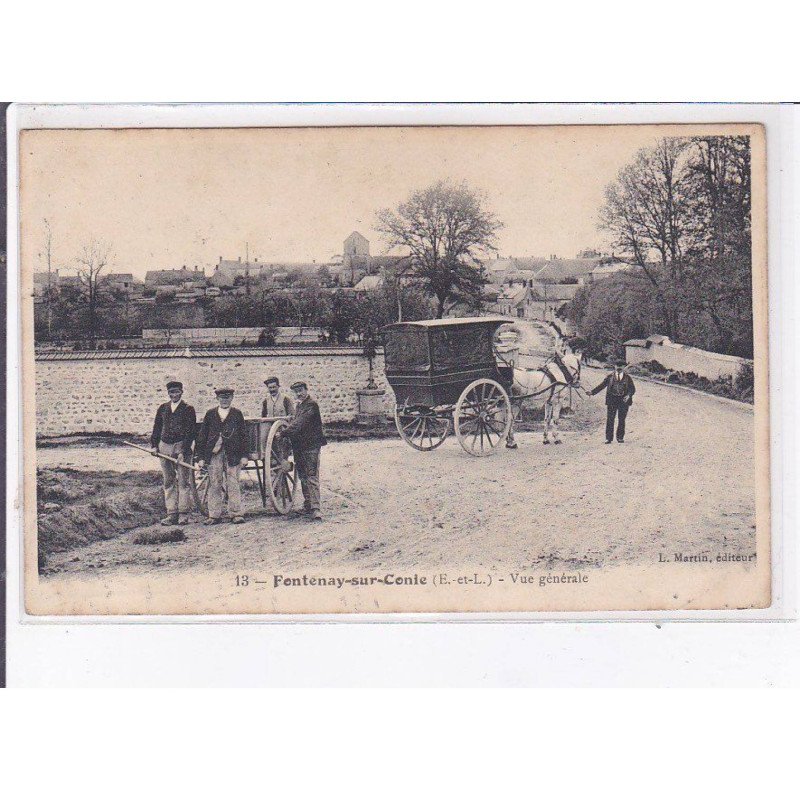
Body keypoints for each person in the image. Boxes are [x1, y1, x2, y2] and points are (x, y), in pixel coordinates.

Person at [196, 388, 249, 524]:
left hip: (233, 454)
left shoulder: (237, 414)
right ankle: (214, 515)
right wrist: (201, 457)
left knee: (233, 482)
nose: (225, 400)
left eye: (227, 397)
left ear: (231, 398)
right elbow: (202, 436)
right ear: (217, 399)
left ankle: (236, 513)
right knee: (215, 483)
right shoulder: (210, 414)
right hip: (214, 454)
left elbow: (243, 436)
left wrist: (244, 456)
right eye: (222, 398)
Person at [277, 381, 327, 521]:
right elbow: (294, 421)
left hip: (311, 446)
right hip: (299, 446)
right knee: (303, 476)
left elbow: (299, 423)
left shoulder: (311, 405)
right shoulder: (299, 406)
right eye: (296, 391)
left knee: (311, 476)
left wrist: (283, 433)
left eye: (301, 390)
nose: (299, 393)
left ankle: (316, 509)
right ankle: (308, 505)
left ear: (306, 389)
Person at [150, 379, 196, 526]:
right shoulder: (163, 408)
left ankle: (183, 514)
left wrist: (183, 451)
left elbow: (191, 432)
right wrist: (154, 446)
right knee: (168, 481)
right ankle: (171, 514)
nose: (174, 395)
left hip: (181, 446)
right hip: (164, 446)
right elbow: (157, 427)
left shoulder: (188, 409)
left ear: (181, 392)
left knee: (183, 481)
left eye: (176, 392)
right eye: (171, 392)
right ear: (168, 393)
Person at [588, 359, 636, 443]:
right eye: (617, 365)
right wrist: (592, 392)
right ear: (614, 366)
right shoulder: (610, 377)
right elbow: (601, 386)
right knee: (610, 419)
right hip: (612, 400)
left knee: (621, 419)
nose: (619, 367)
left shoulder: (628, 378)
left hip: (623, 402)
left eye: (621, 366)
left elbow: (632, 389)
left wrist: (628, 396)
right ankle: (608, 438)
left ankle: (620, 437)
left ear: (624, 367)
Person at [260, 376, 295, 456]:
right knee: (271, 454)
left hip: (282, 432)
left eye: (274, 387)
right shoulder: (266, 401)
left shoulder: (286, 399)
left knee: (282, 453)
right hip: (270, 433)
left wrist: (287, 431)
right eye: (270, 388)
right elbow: (263, 416)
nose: (272, 389)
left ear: (278, 387)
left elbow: (292, 416)